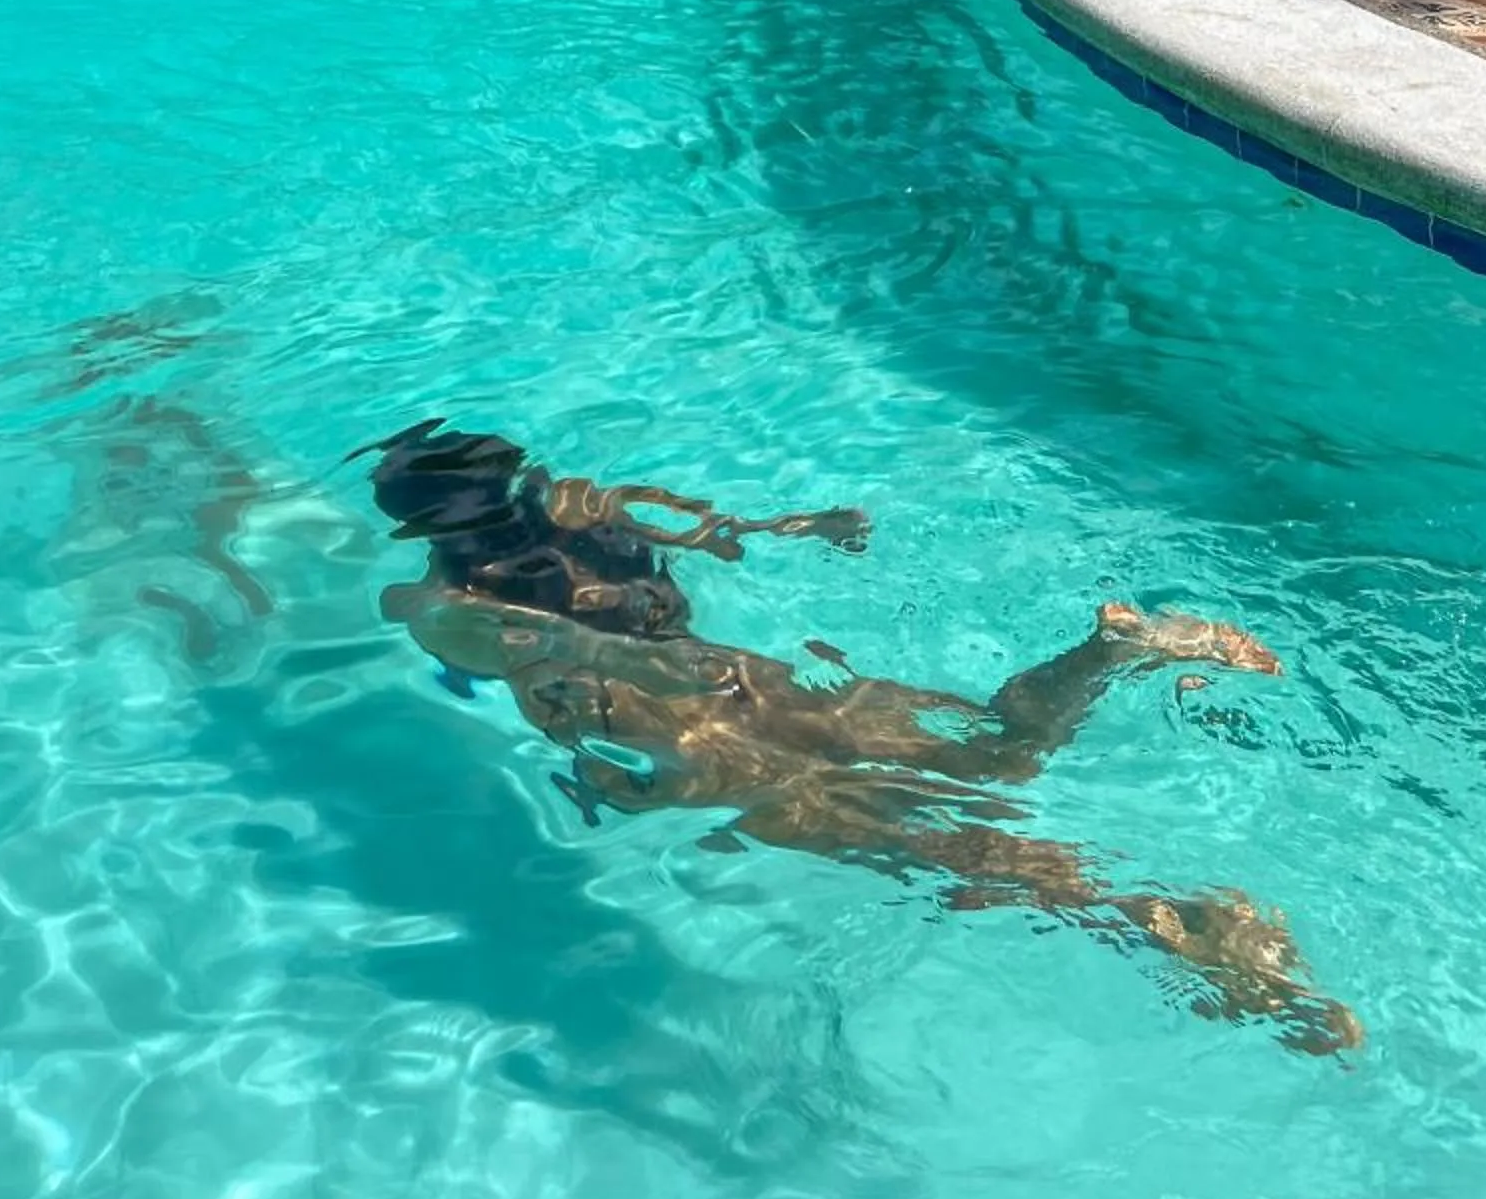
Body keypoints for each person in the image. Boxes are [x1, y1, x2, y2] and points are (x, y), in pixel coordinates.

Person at [366, 420, 1361, 1056]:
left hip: (687, 738)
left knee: (946, 850)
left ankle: (1169, 930)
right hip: (747, 675)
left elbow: (552, 652)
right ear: (523, 481)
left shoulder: (444, 602)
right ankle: (1107, 652)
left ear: (423, 530)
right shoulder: (591, 508)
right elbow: (720, 529)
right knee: (996, 752)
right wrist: (815, 525)